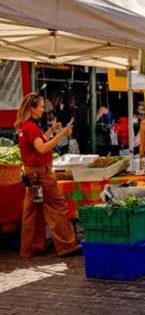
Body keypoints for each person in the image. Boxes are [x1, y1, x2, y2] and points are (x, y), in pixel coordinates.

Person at [15, 92, 81, 259]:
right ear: (32, 108)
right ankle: (66, 246)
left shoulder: (26, 126)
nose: (43, 110)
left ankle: (31, 248)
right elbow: (42, 149)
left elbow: (39, 143)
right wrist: (62, 134)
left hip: (32, 174)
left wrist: (51, 130)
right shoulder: (30, 127)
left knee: (33, 211)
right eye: (41, 107)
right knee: (57, 207)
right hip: (41, 174)